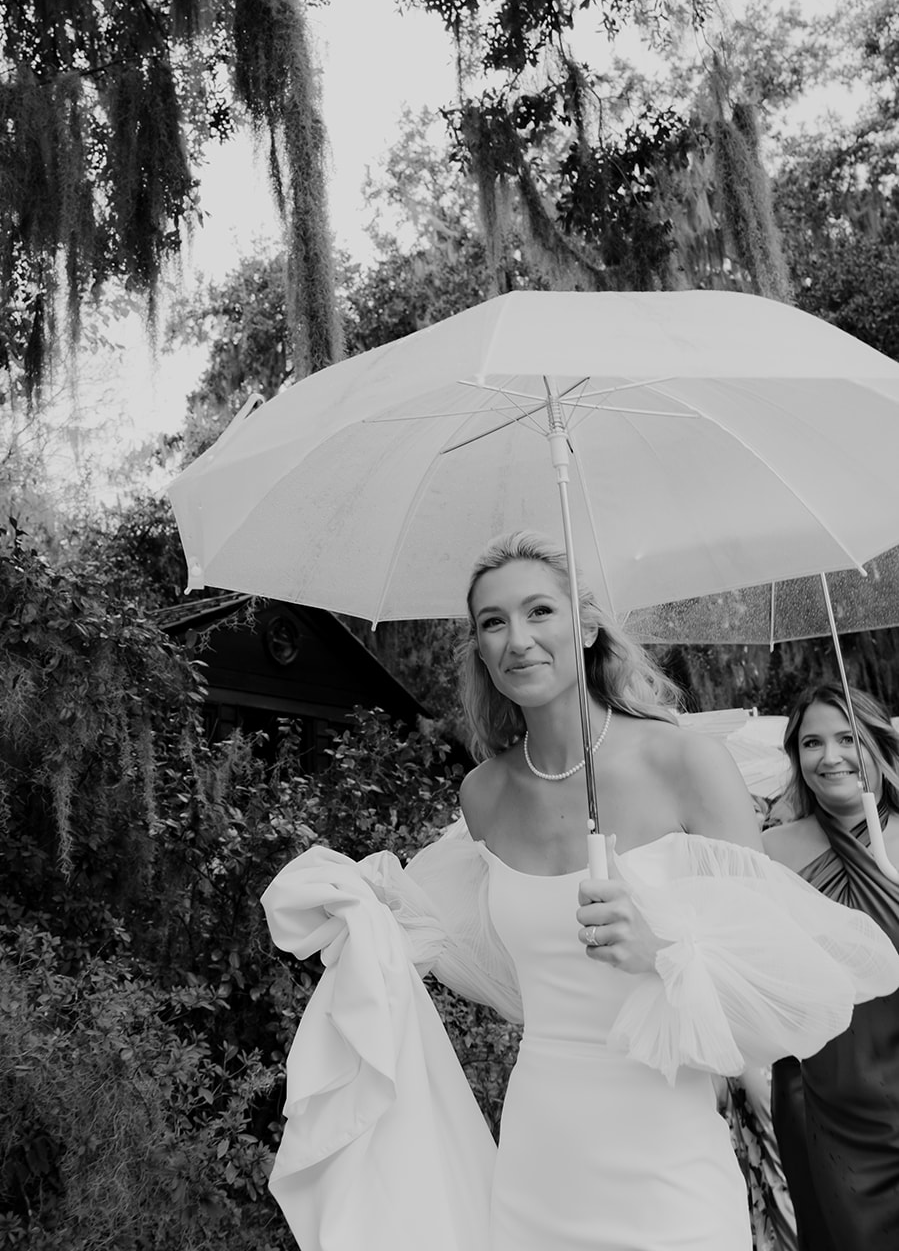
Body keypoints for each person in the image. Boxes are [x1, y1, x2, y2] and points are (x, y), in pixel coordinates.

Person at [261, 535, 899, 1251]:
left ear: (587, 627)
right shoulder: (483, 794)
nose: (517, 639)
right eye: (492, 622)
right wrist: (362, 906)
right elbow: (448, 925)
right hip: (539, 1159)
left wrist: (664, 949)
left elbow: (773, 972)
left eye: (540, 611)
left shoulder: (684, 761)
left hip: (667, 1157)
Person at [763, 683, 899, 1251]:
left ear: (878, 745)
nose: (830, 756)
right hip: (823, 1096)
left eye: (847, 738)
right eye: (811, 743)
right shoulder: (771, 851)